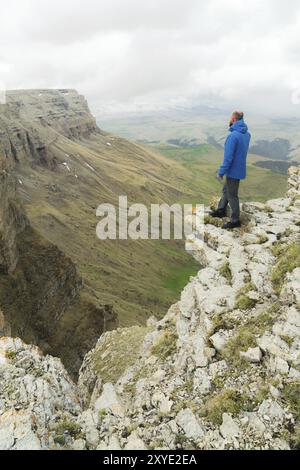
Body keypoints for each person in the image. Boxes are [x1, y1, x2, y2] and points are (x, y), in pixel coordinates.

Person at [210, 111, 251, 229]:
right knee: (226, 190)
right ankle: (221, 209)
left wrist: (221, 172)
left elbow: (228, 157)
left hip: (233, 170)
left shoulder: (233, 136)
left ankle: (235, 220)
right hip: (240, 167)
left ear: (233, 119)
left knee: (232, 195)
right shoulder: (247, 134)